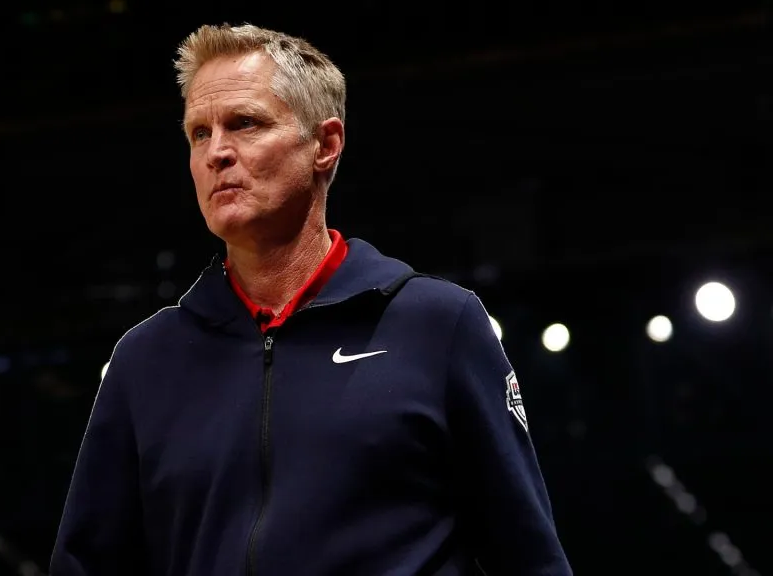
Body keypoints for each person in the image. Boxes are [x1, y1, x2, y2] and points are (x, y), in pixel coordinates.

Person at [50, 23, 572, 576]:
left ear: (325, 145)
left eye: (243, 124)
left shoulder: (438, 326)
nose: (217, 153)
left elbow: (528, 558)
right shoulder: (145, 360)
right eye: (199, 133)